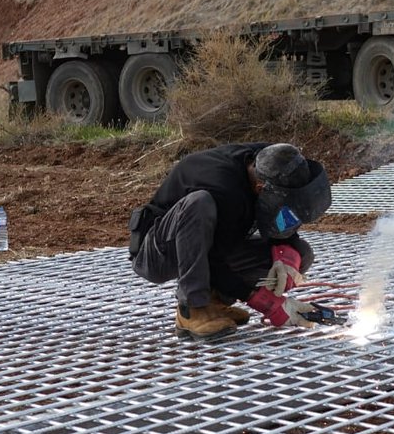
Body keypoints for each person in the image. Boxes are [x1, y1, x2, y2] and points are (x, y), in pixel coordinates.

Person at [129, 142, 332, 340]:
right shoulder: (223, 188)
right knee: (199, 203)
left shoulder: (276, 160)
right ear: (261, 188)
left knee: (301, 253)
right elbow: (213, 261)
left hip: (212, 245)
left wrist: (286, 255)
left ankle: (214, 303)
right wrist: (265, 302)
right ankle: (192, 309)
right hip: (158, 253)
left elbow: (282, 211)